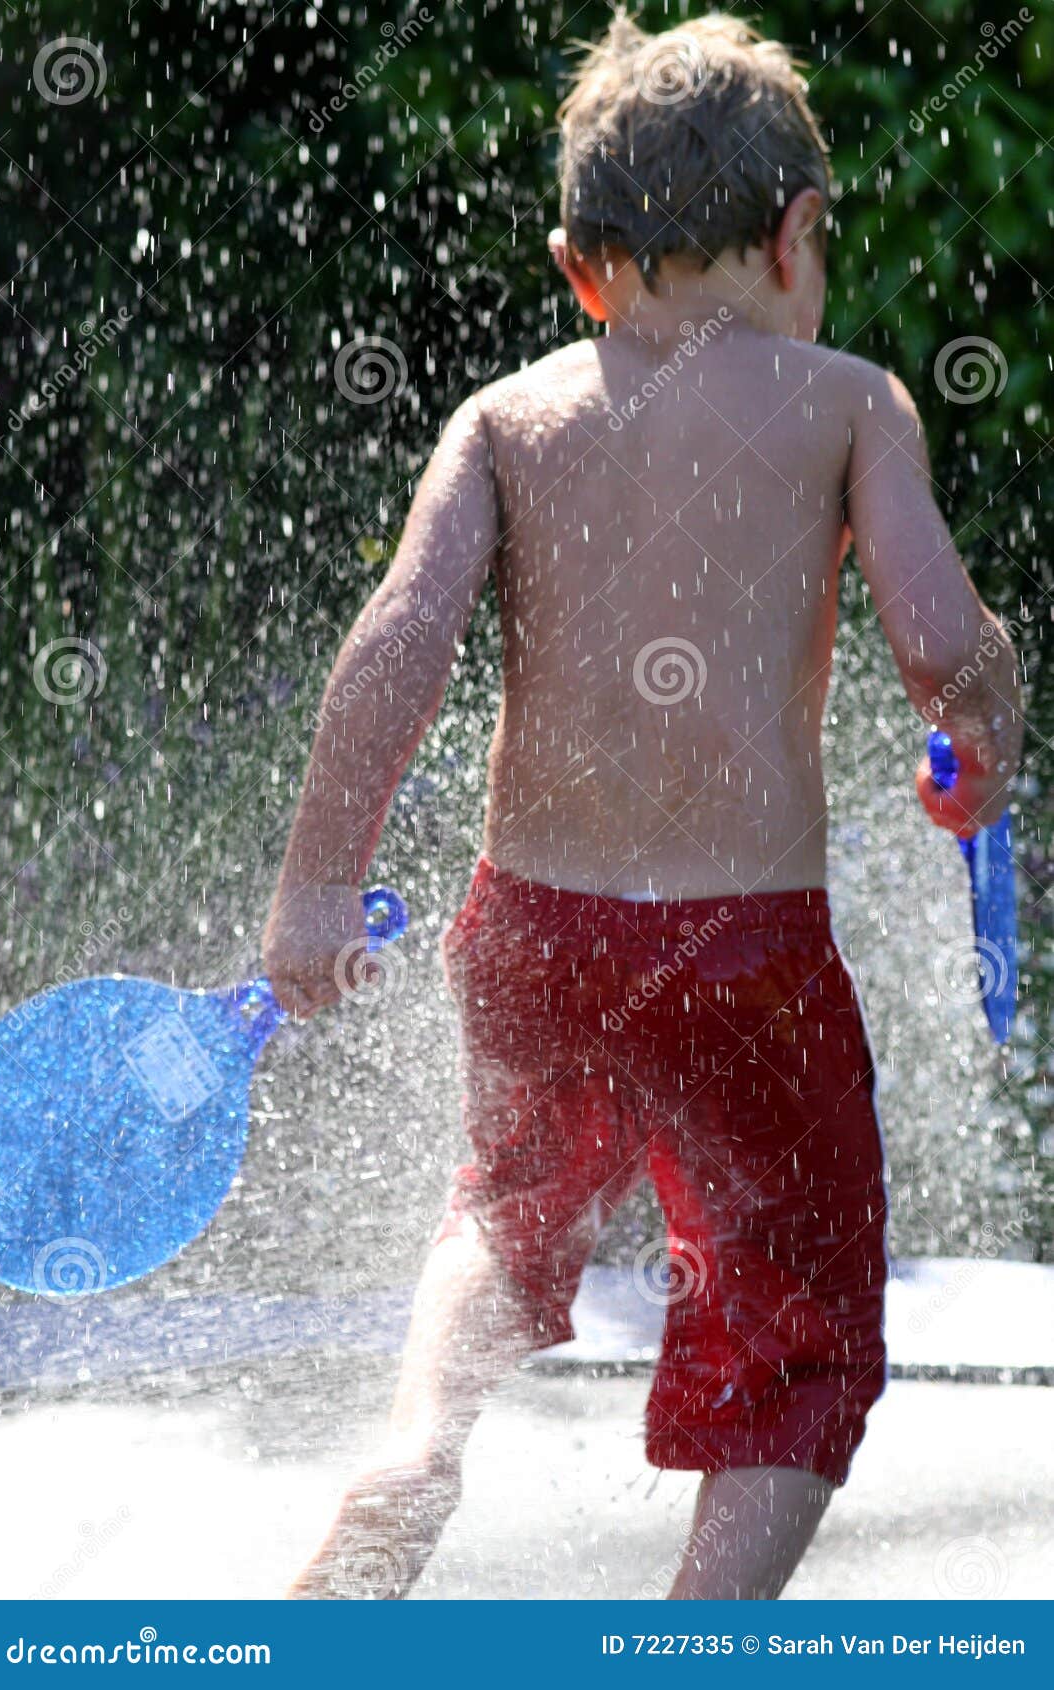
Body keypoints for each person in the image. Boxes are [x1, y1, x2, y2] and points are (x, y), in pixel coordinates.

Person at [263, 9, 1021, 1600]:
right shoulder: (849, 402)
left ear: (576, 264)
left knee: (505, 1207)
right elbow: (945, 646)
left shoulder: (507, 418)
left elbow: (395, 644)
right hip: (744, 959)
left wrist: (319, 885)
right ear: (802, 232)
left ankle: (411, 1455)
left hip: (535, 932)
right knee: (798, 1303)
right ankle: (705, 1632)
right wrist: (982, 743)